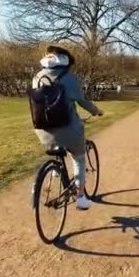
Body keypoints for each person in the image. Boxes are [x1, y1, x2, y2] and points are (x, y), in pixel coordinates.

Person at [32, 45, 102, 210]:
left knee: (56, 138)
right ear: (66, 61)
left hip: (43, 129)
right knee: (78, 157)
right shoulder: (69, 78)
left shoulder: (37, 76)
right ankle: (81, 198)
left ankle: (56, 169)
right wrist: (96, 111)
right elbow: (82, 101)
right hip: (69, 129)